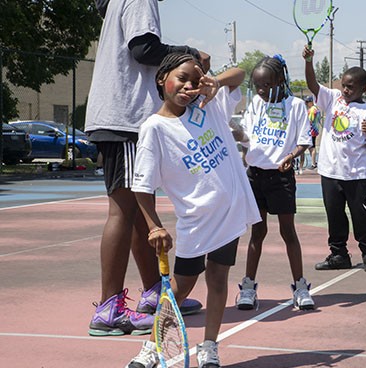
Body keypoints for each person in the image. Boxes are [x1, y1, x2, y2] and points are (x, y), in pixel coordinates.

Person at [126, 53, 260, 368]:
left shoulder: (207, 105)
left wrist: (215, 82)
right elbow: (142, 187)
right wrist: (154, 226)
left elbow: (241, 73)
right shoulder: (155, 128)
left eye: (195, 81)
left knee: (218, 278)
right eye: (182, 78)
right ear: (162, 79)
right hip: (196, 221)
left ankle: (210, 346)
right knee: (180, 287)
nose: (188, 86)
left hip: (229, 213)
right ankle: (153, 346)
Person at [85, 0, 204, 338]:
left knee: (140, 211)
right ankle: (108, 308)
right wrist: (191, 53)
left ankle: (153, 292)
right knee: (123, 210)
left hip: (124, 117)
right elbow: (144, 48)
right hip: (125, 118)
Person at [235, 54, 315, 311]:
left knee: (287, 232)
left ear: (280, 80)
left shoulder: (296, 106)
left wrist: (291, 156)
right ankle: (248, 287)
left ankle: (300, 286)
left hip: (281, 177)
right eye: (257, 85)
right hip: (255, 175)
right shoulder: (256, 104)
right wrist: (238, 134)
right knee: (257, 232)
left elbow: (304, 140)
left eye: (266, 85)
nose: (261, 90)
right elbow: (247, 137)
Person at [303, 45, 366, 272]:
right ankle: (339, 254)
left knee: (361, 216)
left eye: (350, 87)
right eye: (343, 85)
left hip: (357, 174)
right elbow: (313, 85)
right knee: (335, 216)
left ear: (362, 87)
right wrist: (309, 61)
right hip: (330, 172)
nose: (345, 90)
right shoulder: (332, 99)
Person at [301, 95, 321, 171]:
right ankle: (313, 163)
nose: (306, 104)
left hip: (311, 131)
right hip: (314, 130)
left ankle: (313, 163)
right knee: (311, 147)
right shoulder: (315, 109)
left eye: (307, 102)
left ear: (311, 102)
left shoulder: (312, 110)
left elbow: (310, 120)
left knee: (311, 147)